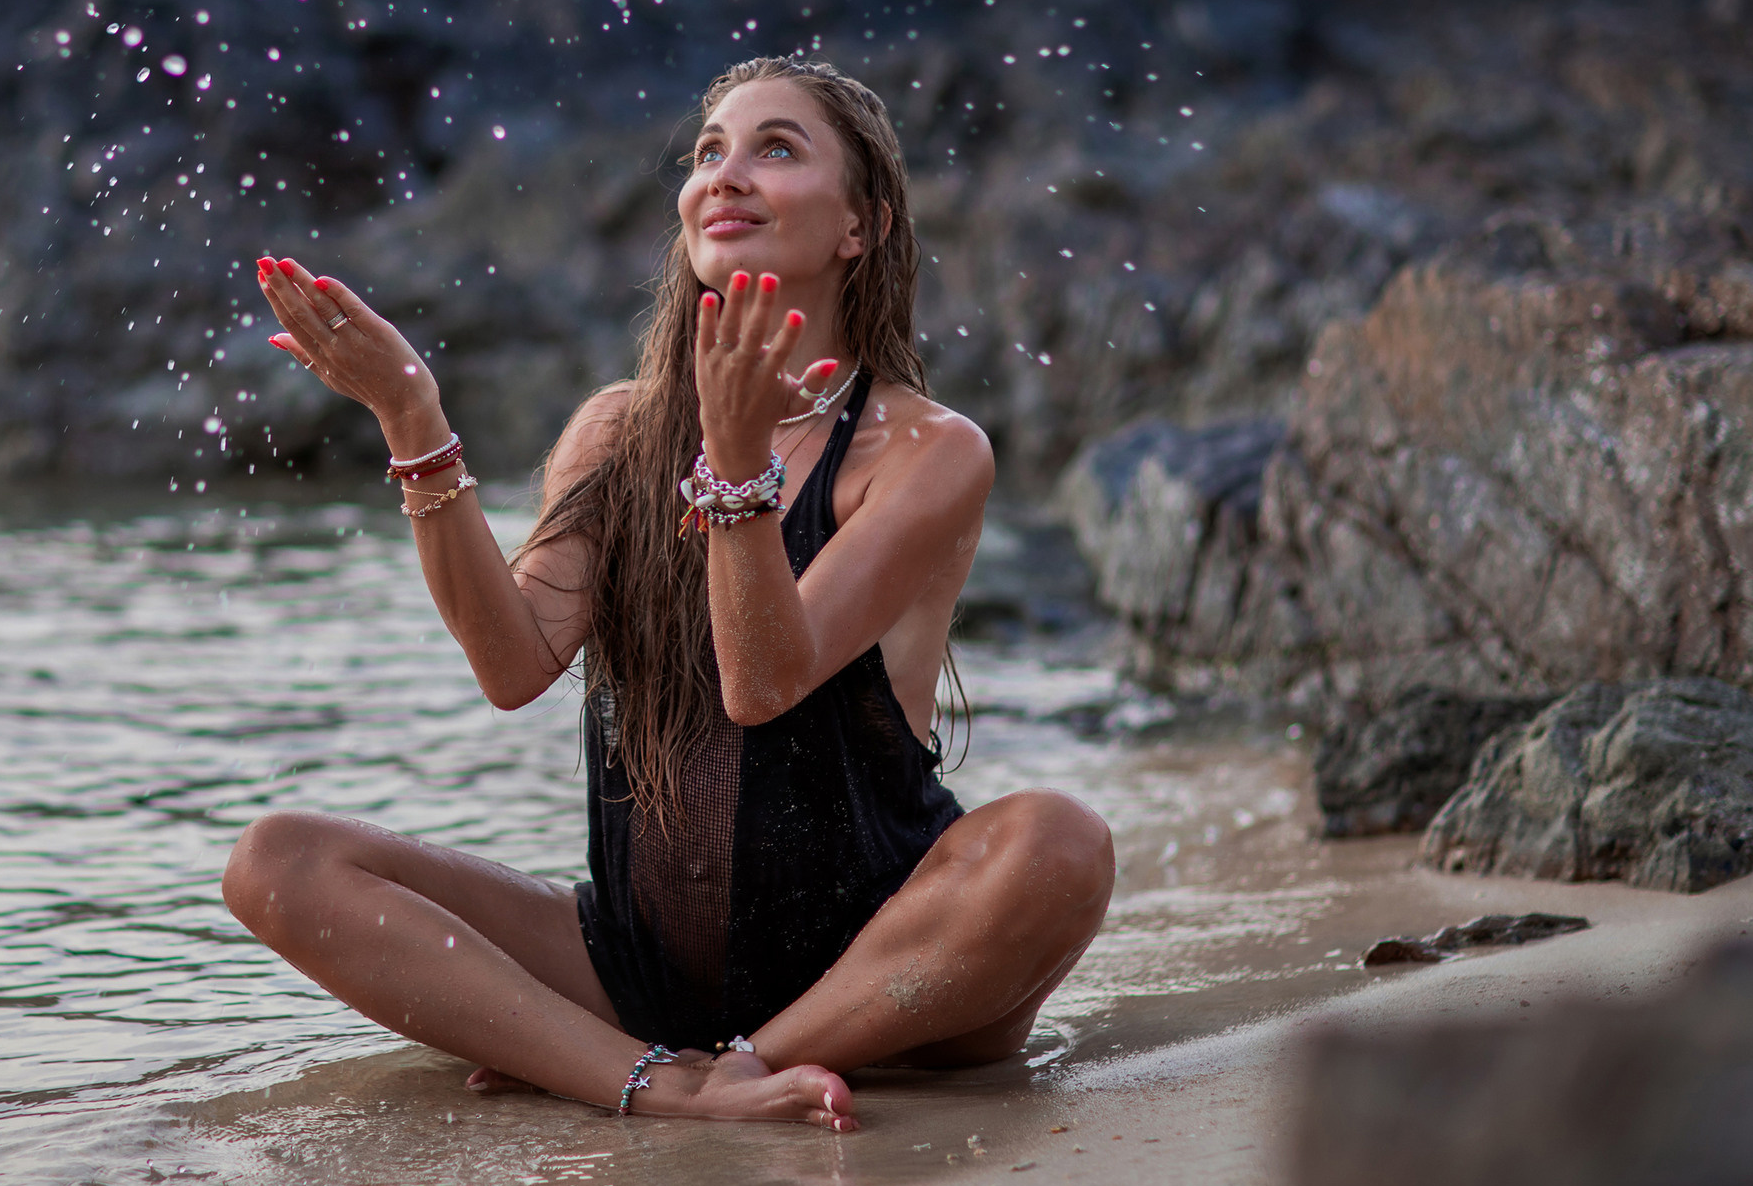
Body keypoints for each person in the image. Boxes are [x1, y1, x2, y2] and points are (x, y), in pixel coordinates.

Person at [225, 56, 1114, 1131]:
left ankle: (716, 1067)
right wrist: (413, 420)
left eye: (774, 149)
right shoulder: (617, 430)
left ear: (859, 228)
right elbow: (513, 664)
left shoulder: (925, 451)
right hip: (637, 965)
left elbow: (764, 683)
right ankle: (655, 1080)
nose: (723, 176)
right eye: (708, 153)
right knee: (278, 863)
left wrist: (737, 463)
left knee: (1059, 842)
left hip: (884, 964)